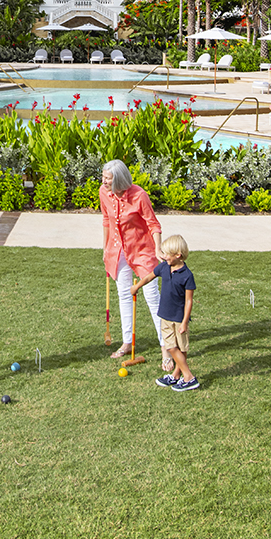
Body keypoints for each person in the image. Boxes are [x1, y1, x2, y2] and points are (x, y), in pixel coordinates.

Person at [99, 160, 164, 364]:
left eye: (108, 178)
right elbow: (106, 220)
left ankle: (166, 347)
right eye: (103, 177)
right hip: (118, 251)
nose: (104, 181)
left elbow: (153, 223)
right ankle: (127, 342)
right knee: (124, 295)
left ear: (119, 179)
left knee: (152, 297)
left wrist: (158, 248)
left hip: (142, 251)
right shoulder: (104, 192)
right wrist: (105, 248)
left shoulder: (139, 195)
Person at [153, 233, 198, 391]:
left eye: (166, 254)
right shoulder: (165, 267)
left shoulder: (187, 276)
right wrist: (136, 287)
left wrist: (185, 322)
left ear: (178, 255)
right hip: (165, 315)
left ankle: (188, 377)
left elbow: (189, 301)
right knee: (171, 347)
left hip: (179, 318)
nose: (163, 256)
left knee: (181, 348)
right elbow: (150, 276)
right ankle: (178, 375)